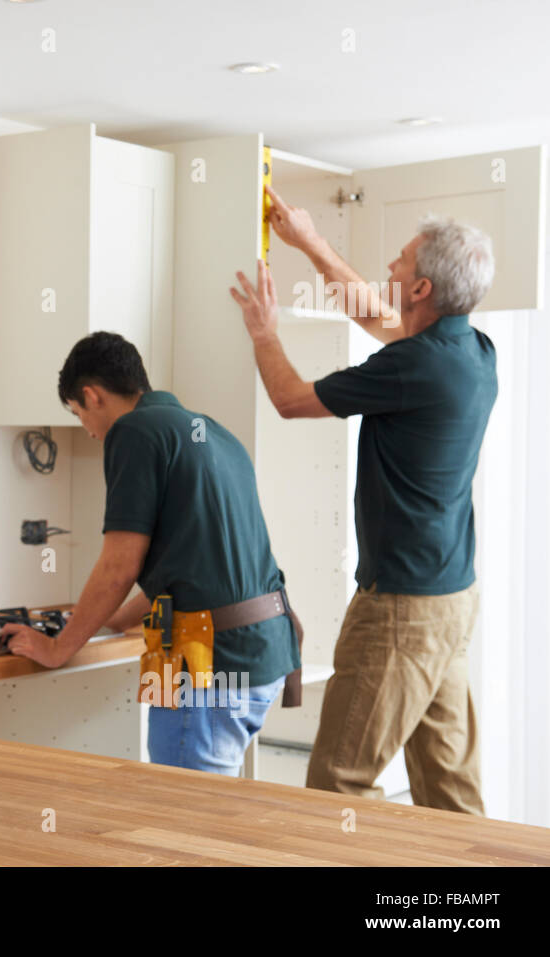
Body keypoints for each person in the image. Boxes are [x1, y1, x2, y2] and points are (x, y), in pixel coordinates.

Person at [230, 184, 496, 814]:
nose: (391, 268)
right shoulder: (472, 352)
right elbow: (379, 317)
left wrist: (264, 332)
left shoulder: (414, 367)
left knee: (339, 786)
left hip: (402, 609)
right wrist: (310, 243)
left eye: (401, 261)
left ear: (424, 289)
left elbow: (292, 401)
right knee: (448, 787)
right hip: (449, 602)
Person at [0, 332, 303, 776]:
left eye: (78, 413)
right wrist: (115, 620)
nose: (86, 428)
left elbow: (118, 566)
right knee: (207, 816)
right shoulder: (211, 432)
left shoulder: (132, 431)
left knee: (180, 825)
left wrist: (57, 648)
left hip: (203, 665)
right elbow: (193, 566)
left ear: (91, 395)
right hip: (267, 652)